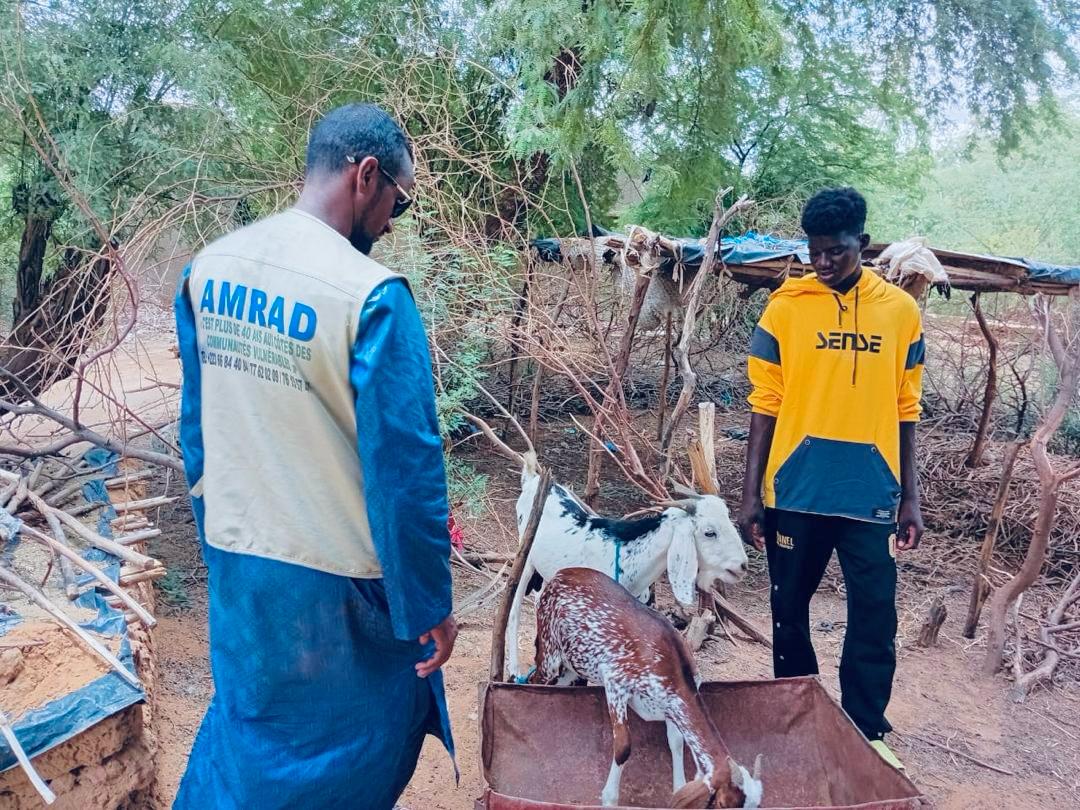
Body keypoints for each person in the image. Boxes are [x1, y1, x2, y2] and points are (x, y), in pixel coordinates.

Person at [173, 103, 457, 809]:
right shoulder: (371, 296)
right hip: (337, 584)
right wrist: (427, 601)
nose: (392, 222)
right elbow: (406, 472)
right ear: (367, 176)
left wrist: (218, 538)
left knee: (252, 728)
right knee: (358, 744)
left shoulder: (210, 269)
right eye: (399, 200)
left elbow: (197, 435)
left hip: (242, 562)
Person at [738, 187, 924, 769]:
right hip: (796, 491)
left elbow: (907, 408)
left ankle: (866, 732)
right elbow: (764, 403)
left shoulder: (900, 311)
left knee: (874, 618)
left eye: (836, 251)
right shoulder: (786, 308)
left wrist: (911, 498)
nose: (822, 262)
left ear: (861, 244)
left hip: (871, 495)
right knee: (789, 611)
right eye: (814, 251)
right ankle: (798, 723)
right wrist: (750, 495)